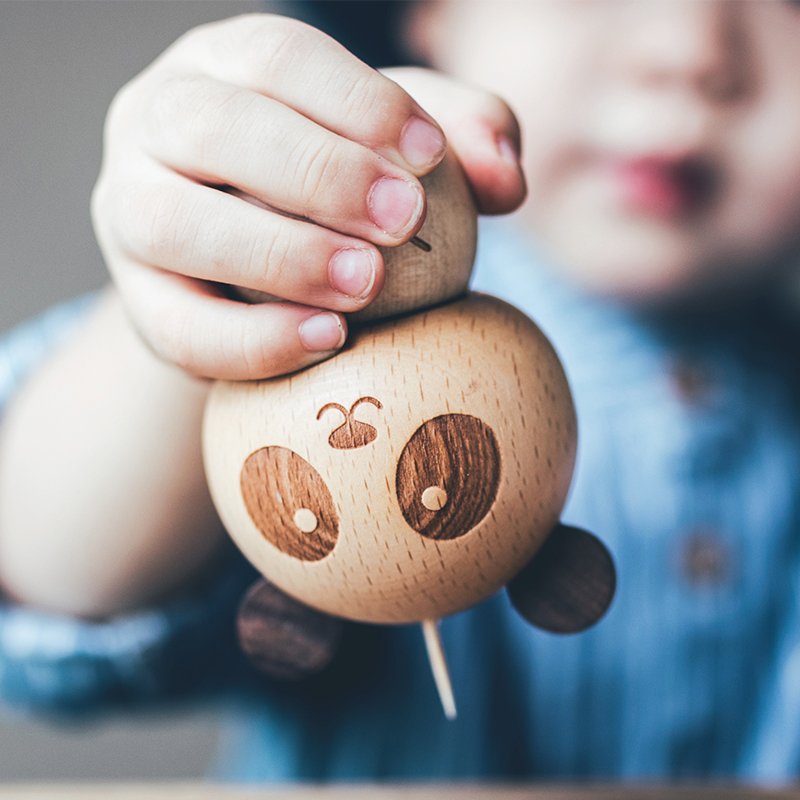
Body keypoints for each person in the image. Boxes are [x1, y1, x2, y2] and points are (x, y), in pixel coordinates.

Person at [2, 0, 800, 782]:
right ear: (428, 12)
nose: (689, 48)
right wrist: (199, 298)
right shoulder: (309, 313)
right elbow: (50, 569)